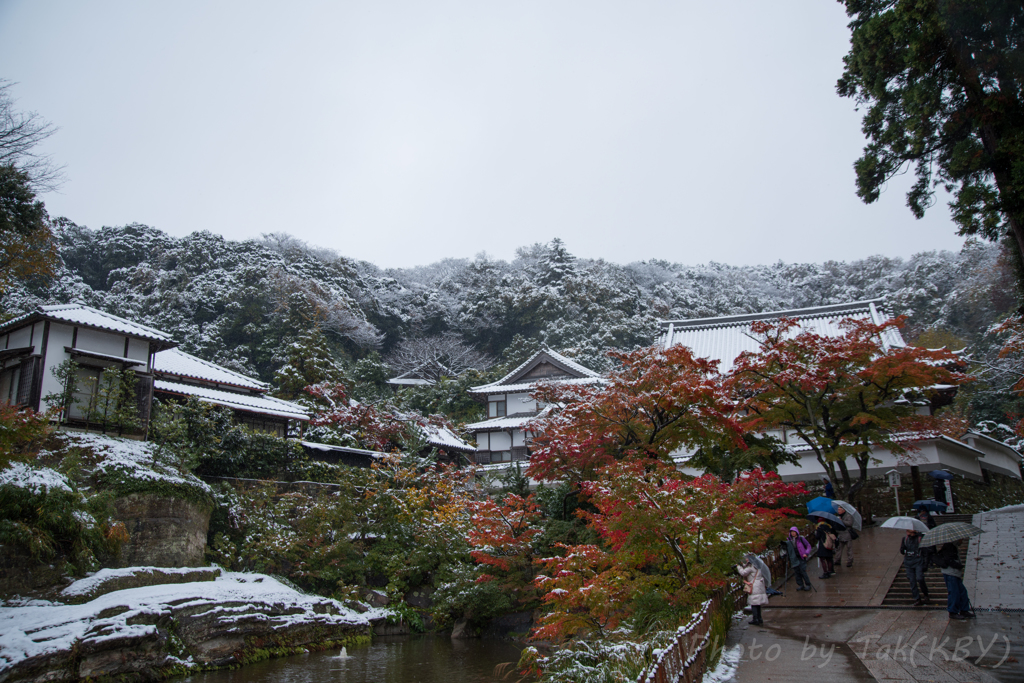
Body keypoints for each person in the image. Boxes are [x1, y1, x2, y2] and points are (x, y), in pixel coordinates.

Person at [934, 541, 973, 620]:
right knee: (954, 592)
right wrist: (958, 566)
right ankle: (953, 611)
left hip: (954, 573)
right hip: (951, 573)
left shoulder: (953, 546)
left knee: (962, 592)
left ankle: (964, 610)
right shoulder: (949, 546)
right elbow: (949, 560)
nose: (962, 539)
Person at [900, 529, 931, 606]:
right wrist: (903, 548)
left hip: (918, 561)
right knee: (912, 581)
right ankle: (917, 598)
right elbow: (902, 550)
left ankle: (925, 594)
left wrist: (925, 564)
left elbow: (925, 552)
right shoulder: (905, 539)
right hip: (908, 562)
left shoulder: (920, 538)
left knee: (920, 578)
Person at [736, 559, 768, 625]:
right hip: (759, 584)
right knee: (758, 604)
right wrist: (744, 565)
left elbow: (743, 573)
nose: (746, 560)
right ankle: (759, 618)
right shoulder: (758, 566)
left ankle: (755, 619)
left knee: (754, 603)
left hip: (754, 586)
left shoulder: (751, 567)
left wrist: (738, 566)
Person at [784, 526, 813, 591]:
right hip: (794, 558)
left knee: (803, 571)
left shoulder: (801, 539)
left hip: (801, 557)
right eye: (792, 532)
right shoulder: (789, 540)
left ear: (797, 532)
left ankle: (808, 584)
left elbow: (808, 545)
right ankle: (801, 585)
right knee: (797, 572)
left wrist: (806, 553)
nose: (793, 533)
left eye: (794, 532)